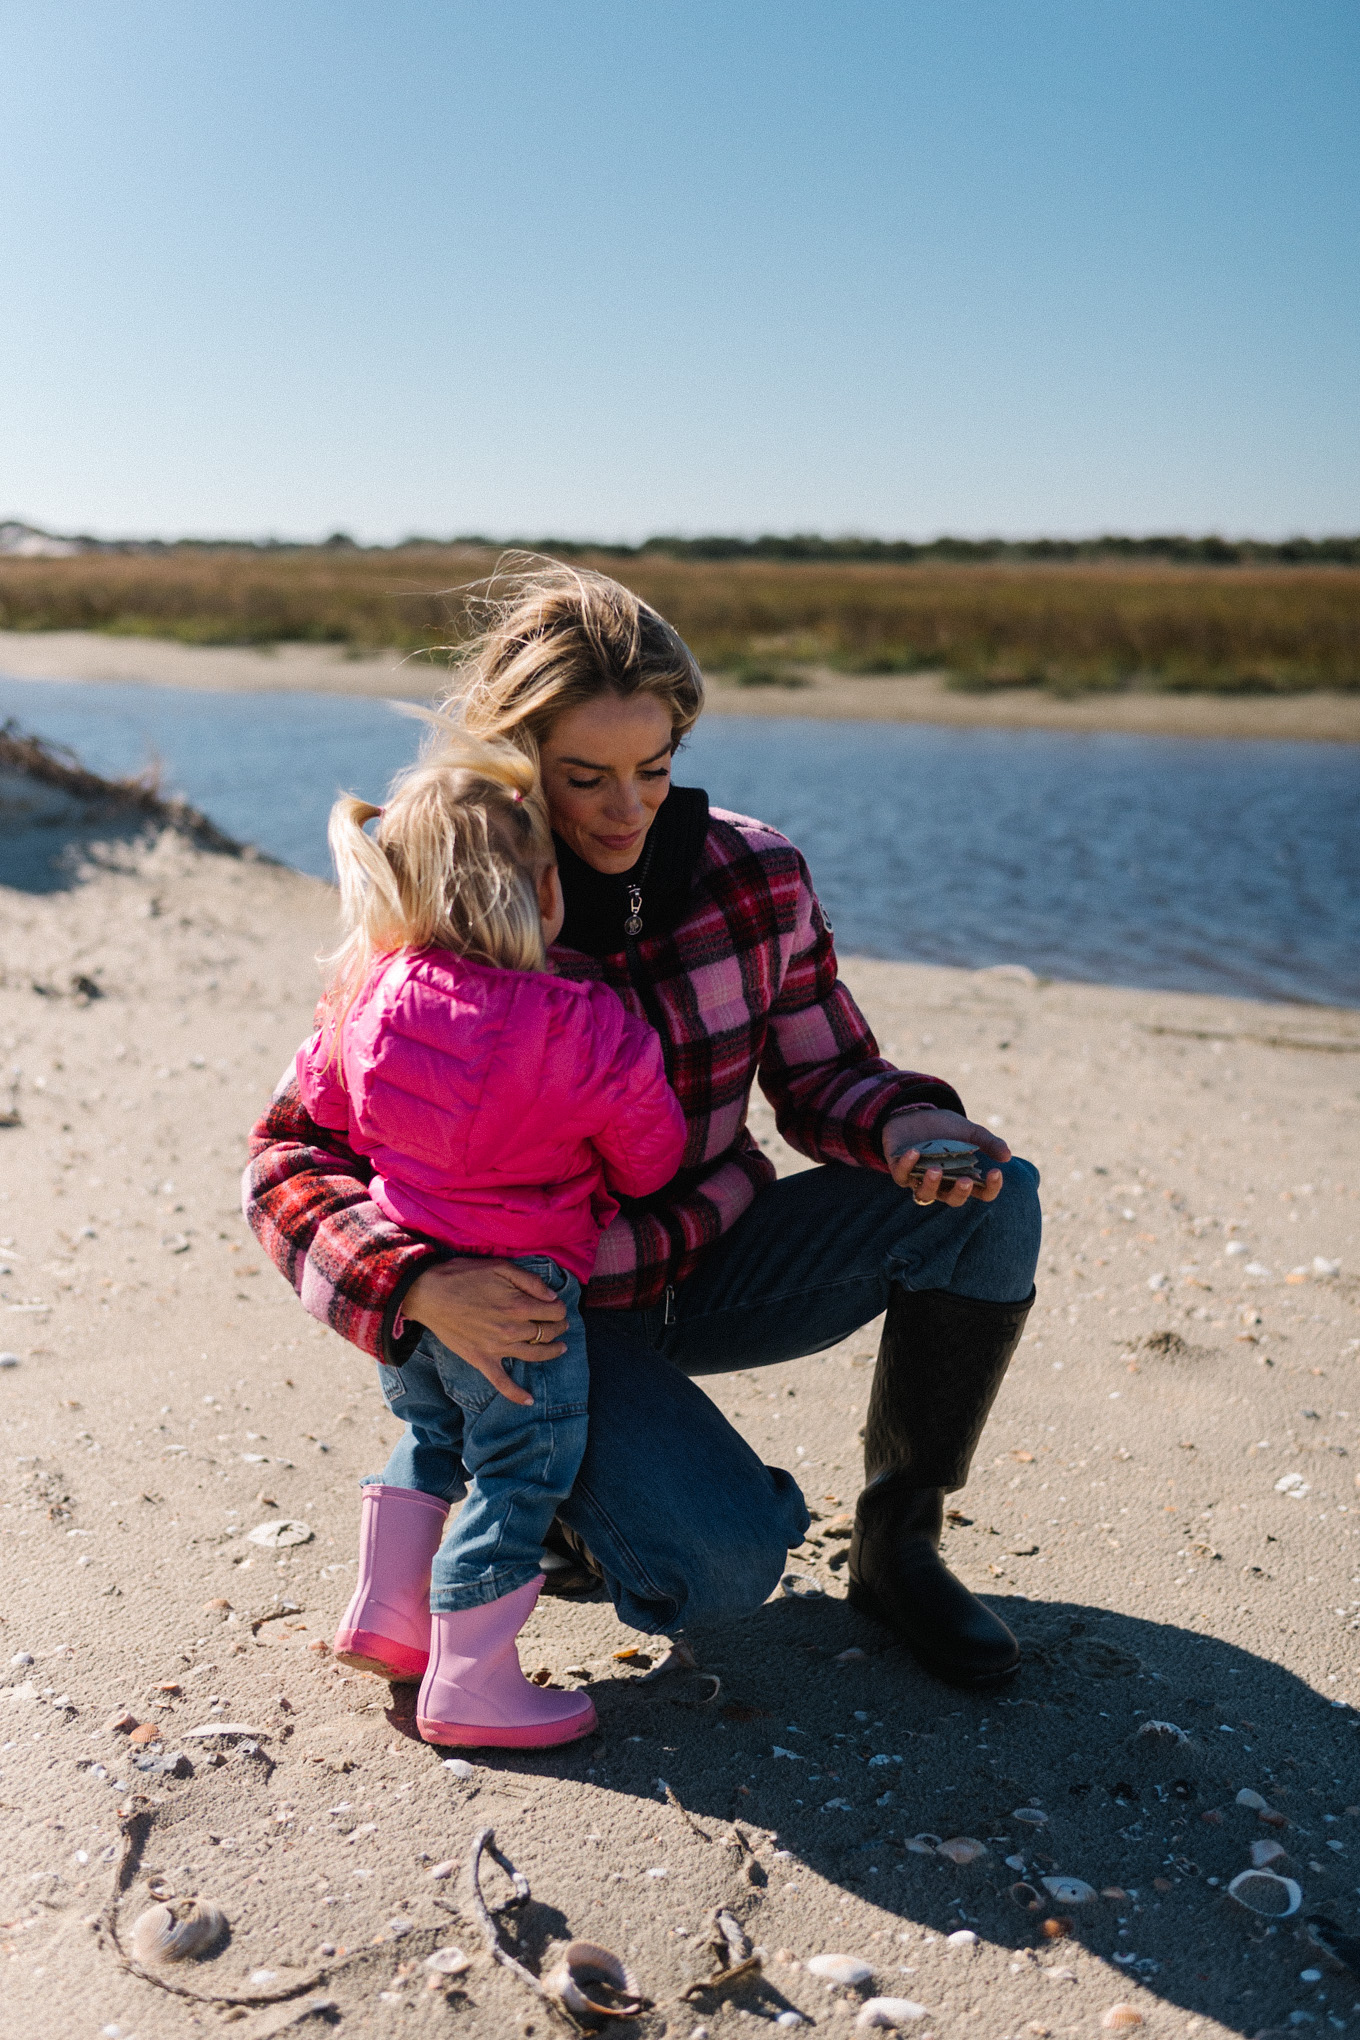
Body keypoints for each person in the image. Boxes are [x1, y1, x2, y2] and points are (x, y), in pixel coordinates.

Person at [245, 560, 1041, 1692]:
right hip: (535, 1319)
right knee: (718, 1570)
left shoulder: (756, 874)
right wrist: (412, 1286)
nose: (627, 809)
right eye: (585, 776)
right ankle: (548, 1502)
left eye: (654, 769)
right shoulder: (442, 906)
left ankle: (897, 1547)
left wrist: (909, 1127)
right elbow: (289, 1154)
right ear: (518, 764)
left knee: (994, 1202)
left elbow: (827, 1077)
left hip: (720, 1263)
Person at [293, 731, 686, 1746]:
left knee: (432, 1437)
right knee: (518, 1477)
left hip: (411, 1280)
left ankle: (389, 1619)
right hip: (522, 1298)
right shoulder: (586, 1024)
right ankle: (472, 1685)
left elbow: (327, 1110)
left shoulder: (367, 996)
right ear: (545, 894)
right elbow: (651, 1163)